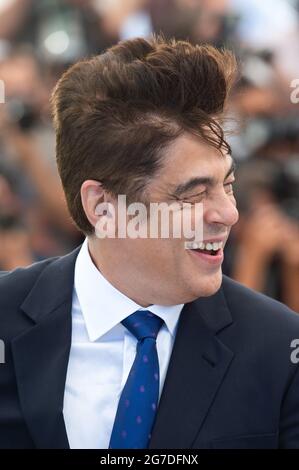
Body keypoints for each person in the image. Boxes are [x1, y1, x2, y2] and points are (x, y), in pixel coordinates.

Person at [0, 35, 299, 450]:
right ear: (103, 207)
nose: (228, 213)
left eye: (227, 184)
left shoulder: (280, 348)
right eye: (194, 194)